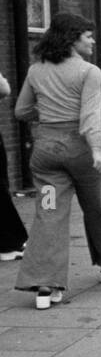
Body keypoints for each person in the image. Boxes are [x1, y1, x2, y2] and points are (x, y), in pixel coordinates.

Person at [13, 13, 101, 308]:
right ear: (72, 39)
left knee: (48, 212)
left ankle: (45, 286)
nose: (93, 41)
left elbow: (21, 111)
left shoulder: (36, 70)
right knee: (96, 206)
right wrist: (97, 150)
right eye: (88, 36)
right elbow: (90, 117)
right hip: (81, 153)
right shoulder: (89, 71)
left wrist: (46, 116)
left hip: (46, 156)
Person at [0, 70, 28, 261]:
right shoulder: (90, 72)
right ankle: (11, 242)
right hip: (64, 150)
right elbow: (4, 89)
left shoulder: (37, 70)